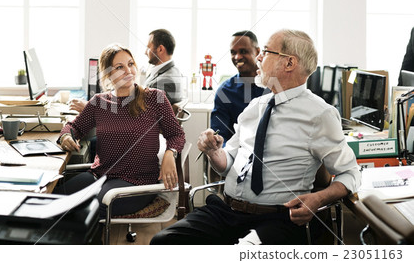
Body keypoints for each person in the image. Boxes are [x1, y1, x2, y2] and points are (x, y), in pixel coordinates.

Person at [150, 29, 361, 245]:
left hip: (277, 219)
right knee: (163, 241)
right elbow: (228, 161)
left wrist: (317, 199)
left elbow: (350, 174)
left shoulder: (320, 114)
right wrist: (214, 152)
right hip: (227, 210)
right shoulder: (255, 106)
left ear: (289, 63)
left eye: (267, 52)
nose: (259, 57)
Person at [55, 44, 185, 217]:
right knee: (53, 200)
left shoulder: (155, 98)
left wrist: (171, 153)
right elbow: (74, 127)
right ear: (108, 74)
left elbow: (176, 134)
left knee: (90, 210)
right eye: (119, 67)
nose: (128, 70)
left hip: (138, 182)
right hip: (99, 176)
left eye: (130, 64)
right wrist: (65, 136)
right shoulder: (98, 102)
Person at [211, 30, 270, 143]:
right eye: (233, 52)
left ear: (257, 51)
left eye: (243, 51)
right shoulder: (225, 91)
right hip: (237, 155)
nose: (237, 57)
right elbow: (219, 133)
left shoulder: (274, 86)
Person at [144, 29, 185, 104]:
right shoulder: (175, 71)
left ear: (160, 49)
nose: (145, 52)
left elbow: (147, 113)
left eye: (148, 48)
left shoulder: (163, 83)